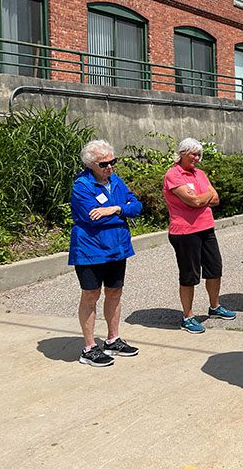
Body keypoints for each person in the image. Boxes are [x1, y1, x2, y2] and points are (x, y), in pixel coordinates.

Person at [69, 140, 142, 367]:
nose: (109, 167)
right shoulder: (82, 186)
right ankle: (89, 348)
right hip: (91, 250)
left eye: (113, 162)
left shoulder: (116, 182)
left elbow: (137, 206)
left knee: (115, 292)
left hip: (117, 248)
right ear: (91, 164)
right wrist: (122, 209)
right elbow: (93, 216)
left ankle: (112, 339)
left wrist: (116, 208)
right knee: (91, 295)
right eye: (104, 164)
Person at [164, 138, 236, 335]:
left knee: (215, 268)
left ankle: (215, 306)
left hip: (206, 228)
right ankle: (187, 316)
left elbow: (216, 199)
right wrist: (205, 196)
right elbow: (195, 200)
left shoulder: (200, 174)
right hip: (185, 232)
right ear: (182, 154)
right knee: (189, 275)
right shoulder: (173, 175)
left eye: (199, 155)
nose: (197, 158)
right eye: (193, 154)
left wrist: (202, 198)